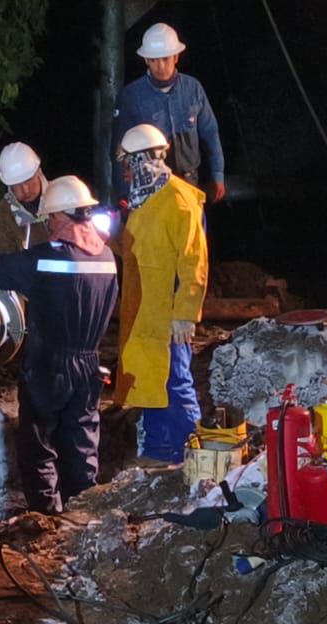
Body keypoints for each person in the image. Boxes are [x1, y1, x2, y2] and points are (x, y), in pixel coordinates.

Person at [0, 176, 119, 514]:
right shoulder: (108, 257)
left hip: (48, 366)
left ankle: (46, 519)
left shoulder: (43, 259)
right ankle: (82, 517)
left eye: (50, 218)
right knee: (82, 445)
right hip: (89, 365)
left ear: (61, 216)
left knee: (38, 444)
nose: (48, 224)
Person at [113, 124, 208, 466]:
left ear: (143, 160)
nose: (126, 171)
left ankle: (193, 453)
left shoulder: (179, 200)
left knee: (176, 382)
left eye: (128, 163)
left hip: (168, 313)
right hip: (144, 309)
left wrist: (186, 312)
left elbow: (194, 260)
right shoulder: (146, 199)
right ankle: (157, 450)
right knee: (152, 382)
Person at [113, 22, 226, 204]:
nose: (160, 65)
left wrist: (217, 174)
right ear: (146, 60)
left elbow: (210, 133)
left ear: (176, 57)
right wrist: (123, 193)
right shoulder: (131, 96)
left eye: (165, 58)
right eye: (154, 60)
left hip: (189, 183)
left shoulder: (193, 89)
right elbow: (119, 149)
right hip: (149, 189)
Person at [0, 142, 51, 256]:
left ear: (38, 171)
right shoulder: (1, 216)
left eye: (28, 180)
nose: (25, 190)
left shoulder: (66, 199)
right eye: (17, 184)